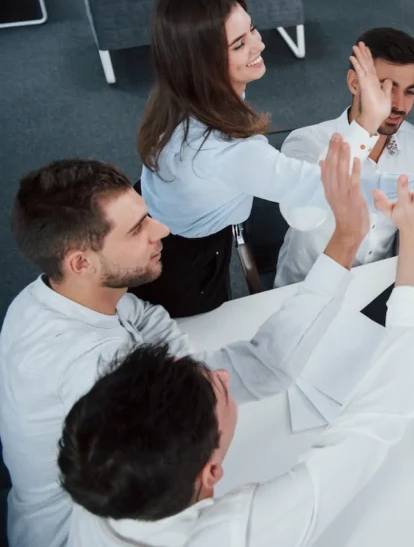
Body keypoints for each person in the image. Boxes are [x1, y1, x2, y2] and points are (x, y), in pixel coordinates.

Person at [0, 137, 385, 547]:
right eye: (137, 229)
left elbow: (200, 364)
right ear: (81, 261)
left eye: (145, 215)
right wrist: (345, 241)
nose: (161, 230)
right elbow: (260, 370)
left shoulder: (58, 294)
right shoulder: (92, 369)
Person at [58, 167, 414, 546]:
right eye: (218, 391)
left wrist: (348, 237)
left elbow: (265, 364)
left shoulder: (100, 485)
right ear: (211, 473)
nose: (225, 376)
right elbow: (379, 414)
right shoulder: (240, 532)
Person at [132, 0, 414, 317]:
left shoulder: (193, 96)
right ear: (202, 63)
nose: (260, 44)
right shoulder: (224, 149)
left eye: (252, 30)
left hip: (177, 221)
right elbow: (317, 195)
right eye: (239, 44)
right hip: (177, 257)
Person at [275, 27, 414, 287]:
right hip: (306, 291)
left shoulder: (411, 142)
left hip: (379, 288)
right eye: (385, 88)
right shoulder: (304, 143)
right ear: (355, 83)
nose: (399, 104)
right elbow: (301, 216)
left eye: (409, 91)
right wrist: (365, 127)